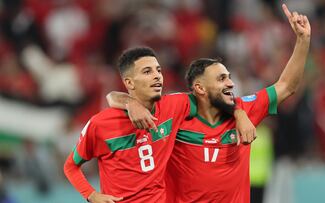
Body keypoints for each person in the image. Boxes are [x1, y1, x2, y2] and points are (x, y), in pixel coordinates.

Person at [106, 4, 310, 203]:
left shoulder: (244, 108)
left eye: (228, 77)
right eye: (221, 79)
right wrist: (131, 104)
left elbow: (286, 86)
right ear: (200, 88)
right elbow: (112, 97)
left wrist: (302, 40)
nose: (230, 83)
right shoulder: (176, 109)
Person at [63, 47, 253, 203]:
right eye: (147, 72)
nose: (157, 76)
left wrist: (239, 112)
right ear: (129, 82)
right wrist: (91, 195)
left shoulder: (173, 106)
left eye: (158, 70)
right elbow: (71, 166)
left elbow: (212, 97)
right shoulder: (101, 124)